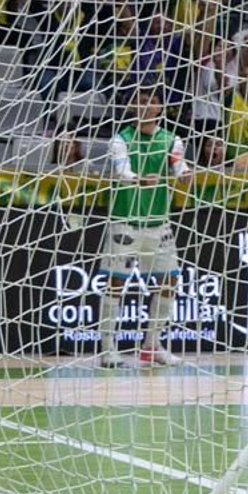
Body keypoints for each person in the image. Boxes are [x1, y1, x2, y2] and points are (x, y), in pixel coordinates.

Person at [97, 87, 190, 369]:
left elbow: (179, 166)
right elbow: (121, 170)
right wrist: (137, 179)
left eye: (151, 101)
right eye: (139, 101)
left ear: (160, 107)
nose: (146, 105)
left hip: (159, 223)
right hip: (125, 222)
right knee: (116, 283)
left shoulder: (172, 140)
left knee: (169, 281)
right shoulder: (120, 139)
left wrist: (186, 175)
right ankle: (108, 349)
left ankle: (152, 345)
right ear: (130, 107)